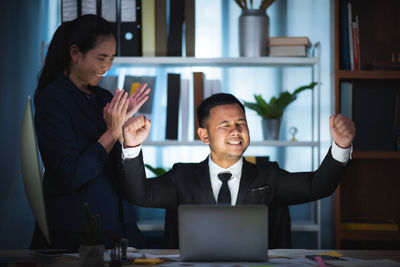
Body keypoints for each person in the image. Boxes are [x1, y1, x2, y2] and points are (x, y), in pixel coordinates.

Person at [121, 93, 355, 248]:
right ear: (204, 135)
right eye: (225, 125)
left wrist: (341, 146)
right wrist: (131, 146)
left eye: (241, 123)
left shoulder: (269, 175)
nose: (236, 131)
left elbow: (318, 186)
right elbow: (139, 195)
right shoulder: (181, 177)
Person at [34, 14, 150, 249]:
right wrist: (111, 131)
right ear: (75, 53)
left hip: (120, 223)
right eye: (101, 58)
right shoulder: (52, 101)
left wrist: (126, 136)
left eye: (111, 58)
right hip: (76, 228)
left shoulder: (104, 98)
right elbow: (71, 175)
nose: (107, 67)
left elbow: (120, 170)